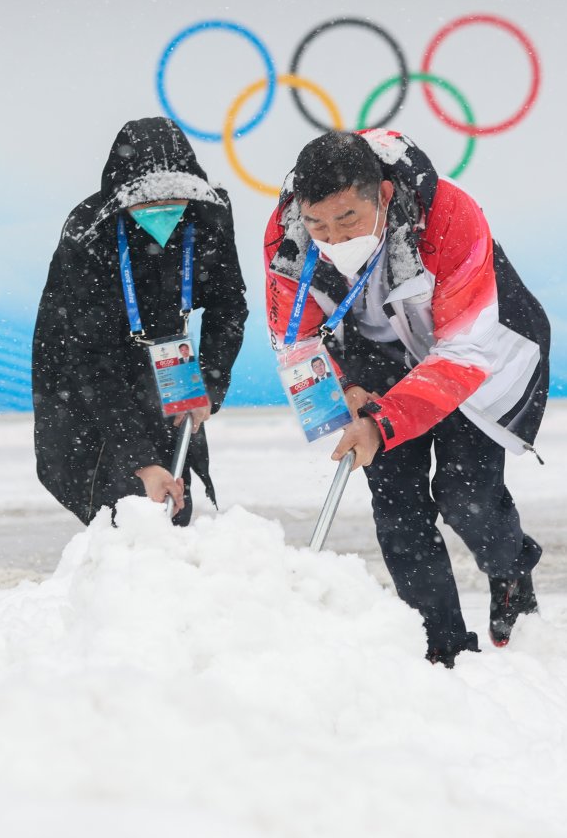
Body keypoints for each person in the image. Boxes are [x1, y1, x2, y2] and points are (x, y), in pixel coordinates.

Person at [264, 129, 550, 667]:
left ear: (385, 196)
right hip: (373, 361)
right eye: (318, 223)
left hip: (468, 349)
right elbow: (293, 340)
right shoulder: (286, 234)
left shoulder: (449, 217)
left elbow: (463, 352)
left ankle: (511, 565)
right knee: (397, 509)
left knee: (467, 499)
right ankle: (442, 648)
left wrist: (385, 424)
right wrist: (342, 390)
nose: (331, 236)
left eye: (347, 219)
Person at [33, 117, 248, 526]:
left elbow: (228, 308)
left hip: (169, 359)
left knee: (174, 479)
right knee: (124, 498)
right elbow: (91, 359)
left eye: (174, 201)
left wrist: (208, 385)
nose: (162, 213)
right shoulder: (88, 236)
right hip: (86, 365)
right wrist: (141, 460)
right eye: (148, 204)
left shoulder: (208, 216)